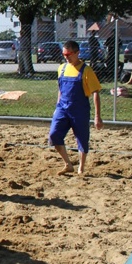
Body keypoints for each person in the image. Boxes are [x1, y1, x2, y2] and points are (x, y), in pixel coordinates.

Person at [48, 40, 103, 175]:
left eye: (69, 54)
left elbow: (95, 93)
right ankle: (68, 164)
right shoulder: (62, 68)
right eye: (64, 54)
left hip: (79, 109)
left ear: (77, 53)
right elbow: (60, 89)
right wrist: (57, 107)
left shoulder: (86, 70)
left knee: (82, 139)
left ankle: (81, 168)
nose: (66, 57)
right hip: (62, 107)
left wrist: (97, 116)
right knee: (54, 135)